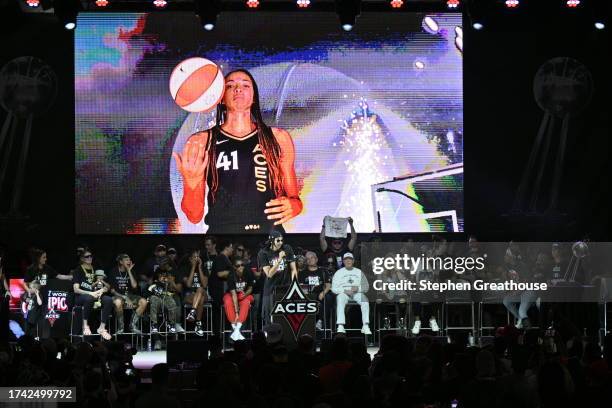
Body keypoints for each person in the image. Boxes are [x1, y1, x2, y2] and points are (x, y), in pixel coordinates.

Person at [173, 69, 303, 233]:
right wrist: (191, 183)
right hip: (223, 238)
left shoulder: (278, 138)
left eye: (245, 85)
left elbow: (295, 200)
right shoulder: (201, 141)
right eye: (230, 86)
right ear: (220, 98)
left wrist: (295, 206)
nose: (238, 89)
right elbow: (194, 216)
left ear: (254, 96)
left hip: (268, 236)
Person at [23, 248, 72, 338]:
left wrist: (70, 277)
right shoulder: (31, 269)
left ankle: (42, 339)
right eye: (44, 257)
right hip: (34, 298)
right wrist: (29, 290)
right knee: (31, 319)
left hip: (45, 298)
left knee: (43, 320)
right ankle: (29, 338)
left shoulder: (47, 268)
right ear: (38, 258)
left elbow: (59, 276)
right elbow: (25, 283)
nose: (46, 259)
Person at [71, 250, 113, 340]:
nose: (90, 258)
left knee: (109, 300)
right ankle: (85, 325)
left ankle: (102, 328)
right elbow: (76, 289)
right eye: (87, 256)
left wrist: (102, 290)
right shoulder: (78, 270)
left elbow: (102, 285)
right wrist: (91, 293)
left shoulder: (95, 270)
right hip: (81, 297)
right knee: (89, 298)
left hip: (95, 295)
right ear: (82, 258)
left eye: (91, 256)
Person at [258, 230, 297, 325]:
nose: (280, 243)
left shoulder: (287, 249)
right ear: (271, 241)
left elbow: (293, 269)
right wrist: (279, 260)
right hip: (270, 289)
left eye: (281, 240)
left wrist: (294, 285)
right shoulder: (263, 253)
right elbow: (269, 274)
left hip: (285, 287)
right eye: (278, 241)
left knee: (286, 316)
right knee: (270, 317)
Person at [331, 252, 371, 334]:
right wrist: (344, 291)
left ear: (353, 261)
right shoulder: (338, 273)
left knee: (365, 300)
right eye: (346, 259)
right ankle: (341, 325)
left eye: (350, 259)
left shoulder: (359, 272)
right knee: (340, 298)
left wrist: (358, 289)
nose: (348, 261)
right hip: (343, 292)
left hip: (357, 293)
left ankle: (365, 325)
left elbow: (366, 287)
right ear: (343, 261)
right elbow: (334, 289)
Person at [108, 254, 147, 334]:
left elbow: (134, 286)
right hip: (118, 295)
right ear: (121, 262)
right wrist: (125, 298)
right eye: (126, 260)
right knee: (118, 302)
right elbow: (112, 291)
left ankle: (132, 325)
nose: (129, 261)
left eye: (129, 260)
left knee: (144, 302)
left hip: (130, 296)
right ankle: (121, 327)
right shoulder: (113, 271)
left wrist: (129, 271)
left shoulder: (132, 271)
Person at [298, 251, 333, 331]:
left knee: (328, 297)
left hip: (321, 294)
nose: (310, 260)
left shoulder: (323, 271)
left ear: (316, 259)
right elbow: (300, 286)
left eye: (312, 257)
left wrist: (323, 292)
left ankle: (320, 321)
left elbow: (328, 285)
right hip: (308, 295)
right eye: (307, 259)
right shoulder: (302, 273)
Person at [148, 265, 184, 339]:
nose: (164, 277)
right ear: (157, 277)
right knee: (154, 299)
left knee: (172, 301)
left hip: (166, 302)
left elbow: (175, 292)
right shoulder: (153, 284)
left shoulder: (168, 285)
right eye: (161, 275)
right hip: (156, 301)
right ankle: (154, 325)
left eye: (165, 276)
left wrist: (170, 282)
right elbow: (149, 294)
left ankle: (172, 324)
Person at [223, 257, 256, 341]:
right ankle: (236, 329)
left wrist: (244, 295)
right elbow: (233, 294)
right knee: (227, 301)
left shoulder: (248, 272)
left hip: (245, 295)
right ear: (234, 267)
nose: (241, 267)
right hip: (233, 295)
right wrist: (237, 312)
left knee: (246, 302)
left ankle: (237, 330)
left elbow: (250, 288)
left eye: (242, 265)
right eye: (238, 266)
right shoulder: (231, 275)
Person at [209, 240, 234, 336]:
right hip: (218, 292)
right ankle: (220, 338)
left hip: (221, 292)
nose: (232, 250)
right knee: (218, 317)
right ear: (227, 247)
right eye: (231, 247)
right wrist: (233, 272)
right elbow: (220, 273)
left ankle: (223, 337)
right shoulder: (221, 258)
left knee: (221, 317)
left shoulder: (225, 258)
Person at [182, 249, 208, 337]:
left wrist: (199, 268)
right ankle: (198, 324)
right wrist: (193, 267)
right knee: (200, 299)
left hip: (203, 292)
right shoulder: (185, 268)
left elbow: (204, 284)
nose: (197, 259)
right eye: (194, 257)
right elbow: (189, 284)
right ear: (190, 259)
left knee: (200, 289)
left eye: (198, 257)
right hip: (190, 295)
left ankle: (192, 312)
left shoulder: (203, 267)